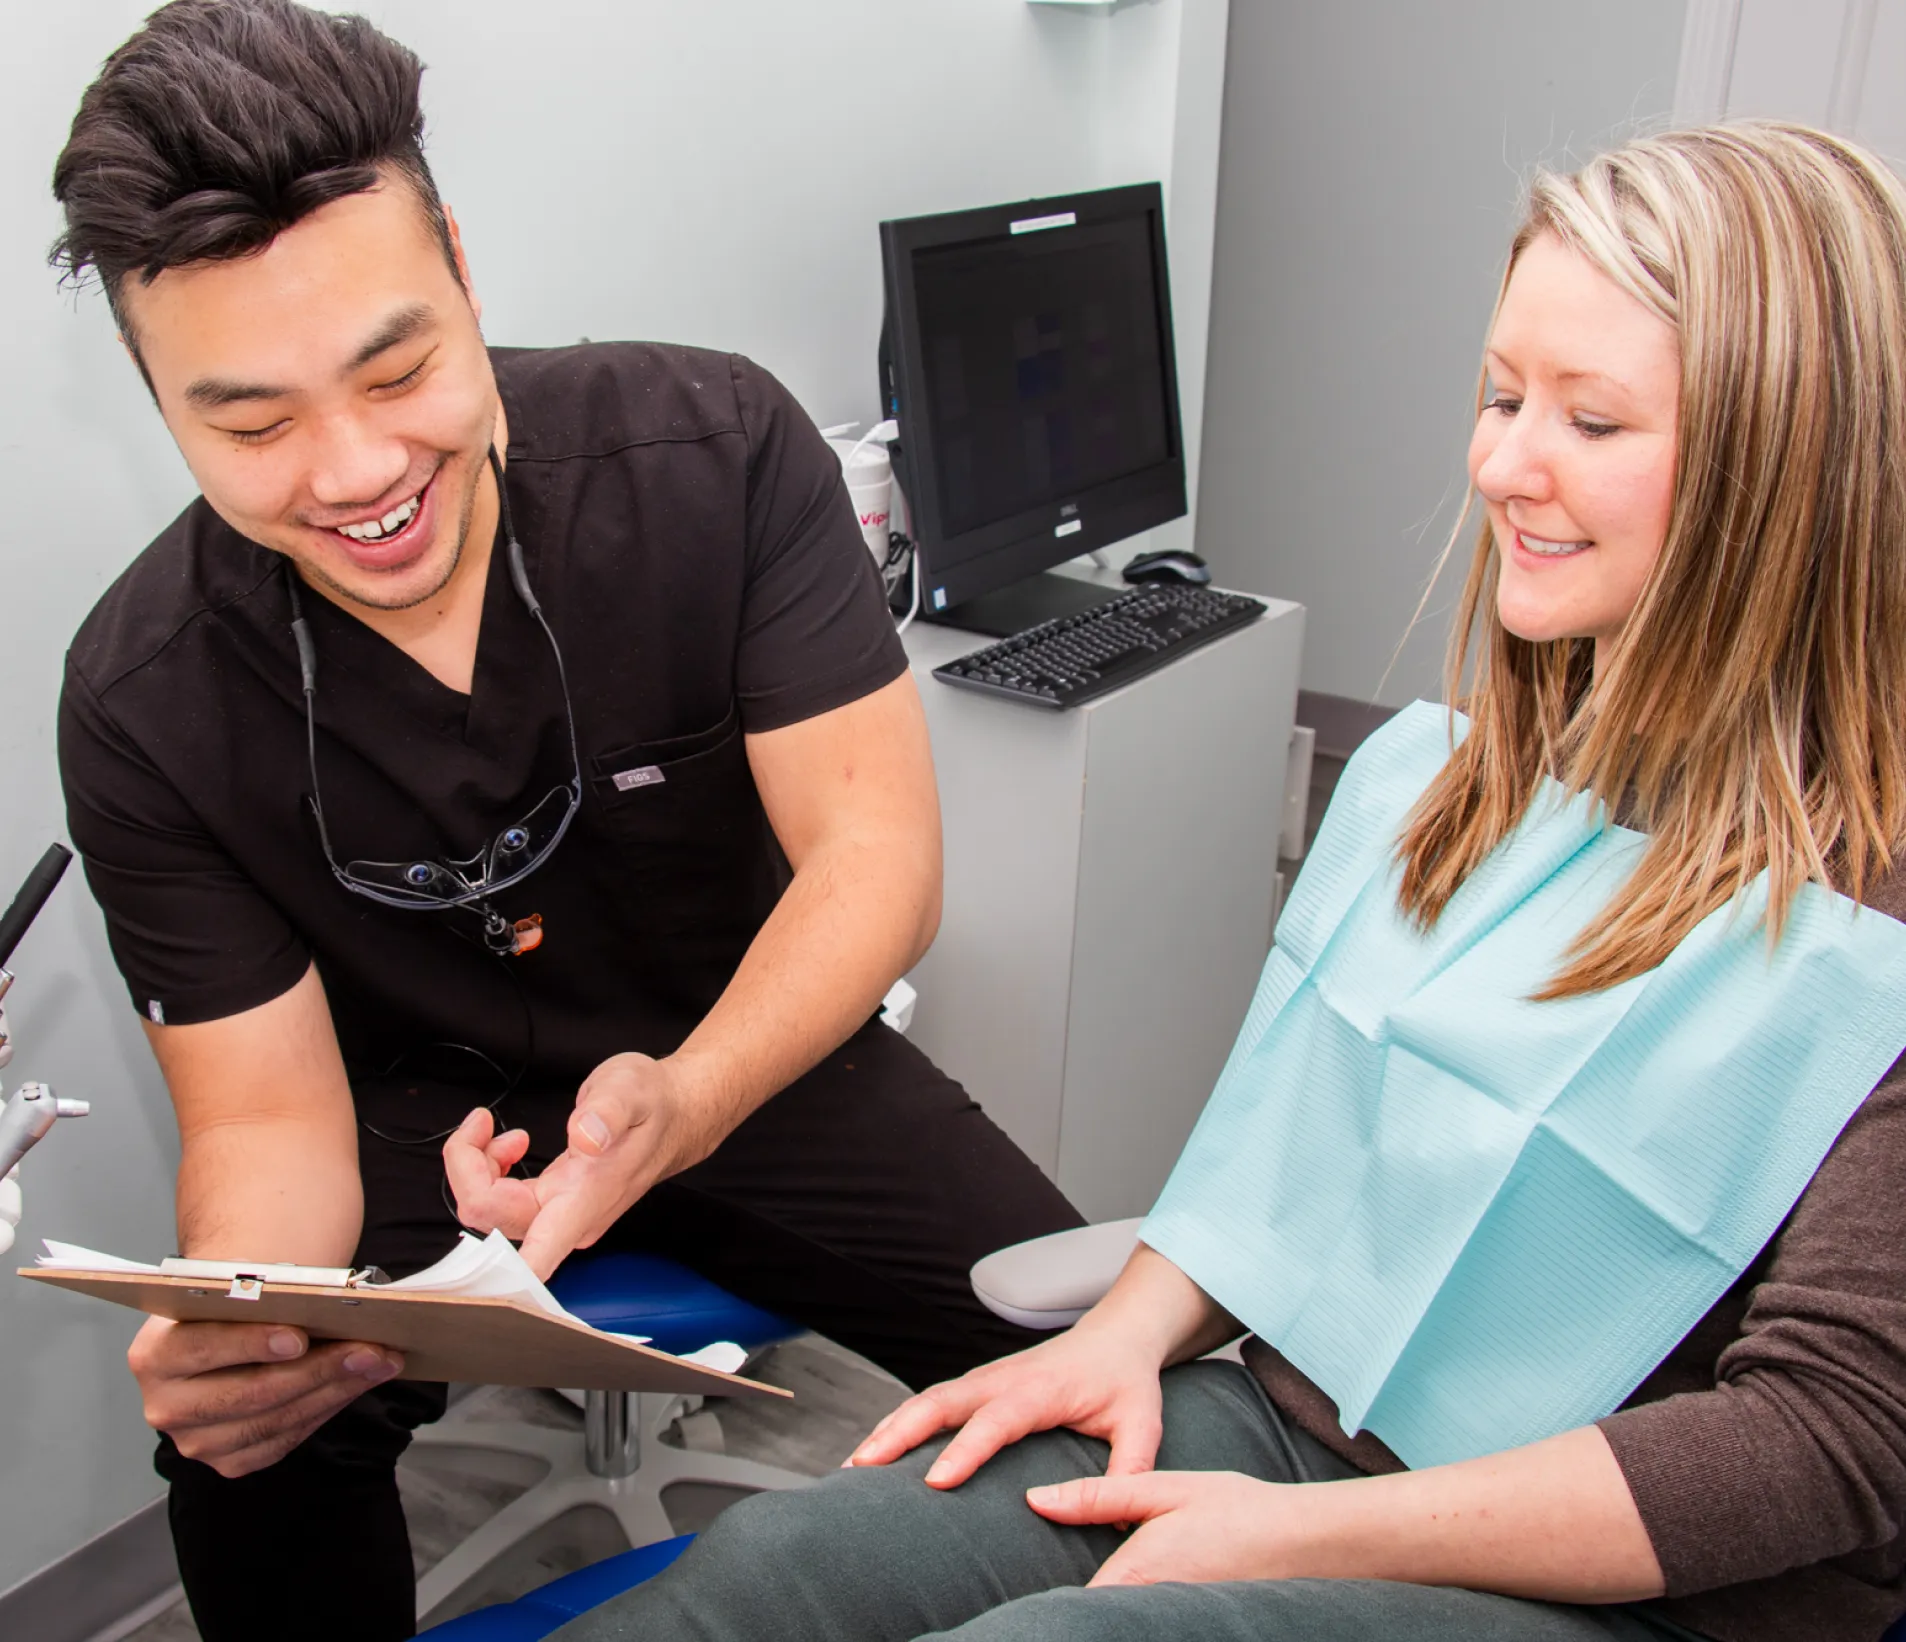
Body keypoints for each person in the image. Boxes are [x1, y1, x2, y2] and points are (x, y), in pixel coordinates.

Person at [554, 123, 1906, 1642]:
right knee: (765, 1581)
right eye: (1500, 394)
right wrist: (1128, 1336)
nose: (1502, 465)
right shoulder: (1467, 784)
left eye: (1590, 422)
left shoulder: (1874, 929)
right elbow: (1297, 1150)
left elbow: (1830, 1441)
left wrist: (1293, 1534)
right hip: (1298, 1422)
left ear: (1781, 472)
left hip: (1654, 1589)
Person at [48, 3, 1082, 1638]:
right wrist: (246, 1317)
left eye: (397, 368)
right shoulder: (141, 695)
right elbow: (263, 1124)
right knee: (250, 1458)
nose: (358, 470)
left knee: (1098, 1362)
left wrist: (686, 1095)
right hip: (413, 1128)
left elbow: (873, 861)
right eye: (252, 426)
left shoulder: (714, 455)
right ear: (150, 389)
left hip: (744, 1047)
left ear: (459, 260)